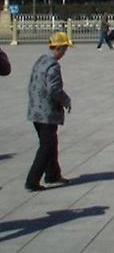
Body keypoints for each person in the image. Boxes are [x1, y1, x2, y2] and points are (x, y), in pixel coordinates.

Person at [25, 32, 72, 191]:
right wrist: (66, 101)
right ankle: (32, 180)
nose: (65, 52)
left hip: (35, 110)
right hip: (46, 112)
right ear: (58, 48)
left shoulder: (41, 60)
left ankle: (52, 174)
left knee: (51, 143)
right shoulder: (53, 64)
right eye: (64, 49)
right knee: (46, 145)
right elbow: (54, 89)